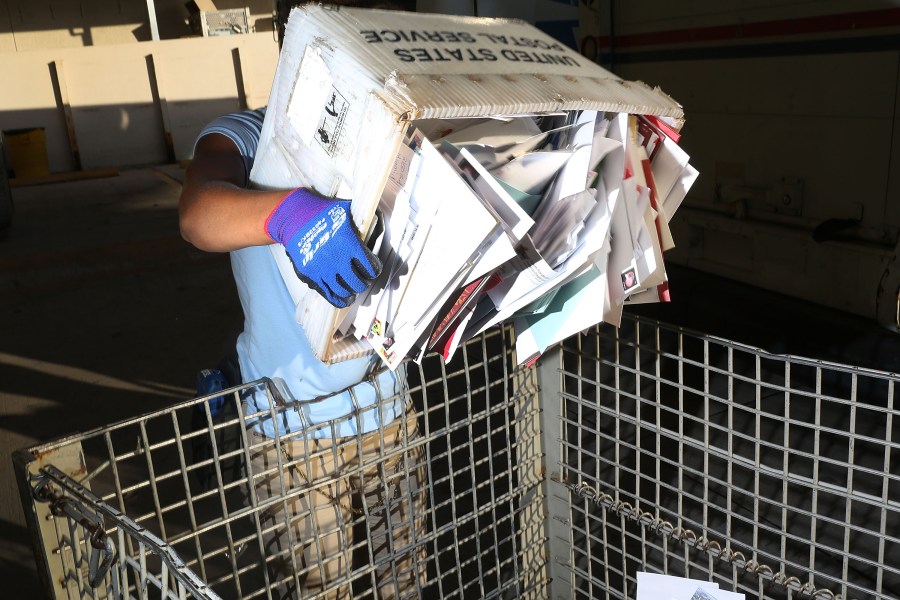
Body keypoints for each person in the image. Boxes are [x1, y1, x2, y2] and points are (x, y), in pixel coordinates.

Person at [178, 4, 425, 598]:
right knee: (318, 587)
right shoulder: (248, 134)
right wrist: (287, 213)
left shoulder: (396, 132)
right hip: (290, 429)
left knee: (407, 578)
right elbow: (198, 216)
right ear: (296, 44)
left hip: (388, 413)